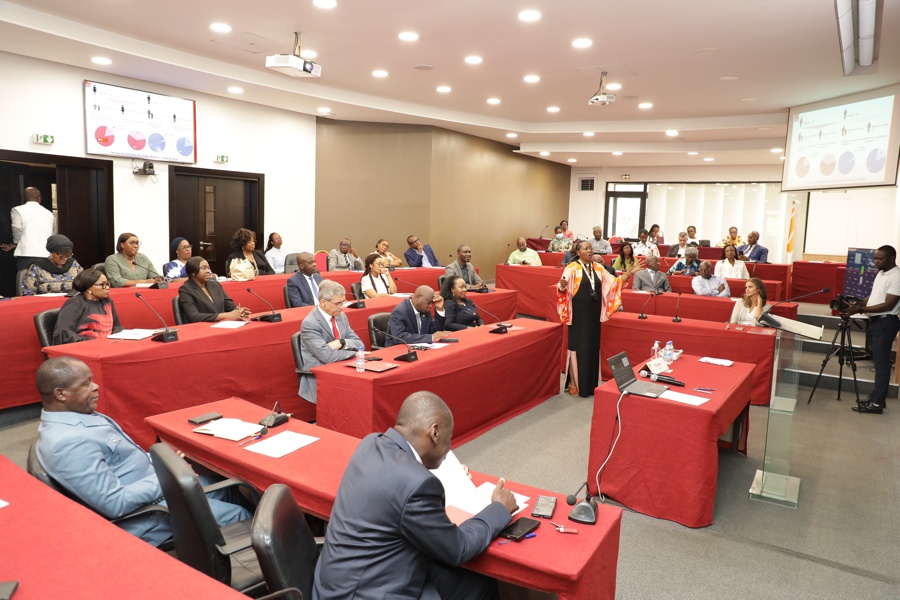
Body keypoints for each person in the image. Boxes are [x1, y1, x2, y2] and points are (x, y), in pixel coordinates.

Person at [313, 391, 518, 600]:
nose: (449, 448)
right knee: (478, 581)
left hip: (335, 583)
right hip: (366, 593)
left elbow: (398, 486)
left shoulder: (370, 443)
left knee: (465, 579)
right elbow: (459, 548)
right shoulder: (418, 485)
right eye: (449, 438)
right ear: (435, 433)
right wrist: (499, 508)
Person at [34, 357, 251, 547]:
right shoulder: (68, 443)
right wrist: (171, 477)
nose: (96, 386)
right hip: (149, 515)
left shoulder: (76, 416)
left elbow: (124, 459)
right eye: (86, 383)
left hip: (152, 488)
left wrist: (165, 463)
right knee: (240, 516)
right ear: (61, 394)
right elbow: (115, 504)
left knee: (228, 488)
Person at [558, 240, 641, 397]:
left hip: (593, 314)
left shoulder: (598, 267)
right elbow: (562, 290)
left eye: (590, 248)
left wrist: (629, 273)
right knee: (579, 347)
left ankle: (590, 385)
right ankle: (575, 384)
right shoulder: (572, 268)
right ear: (578, 252)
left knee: (592, 347)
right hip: (578, 315)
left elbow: (614, 283)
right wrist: (562, 286)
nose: (589, 251)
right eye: (585, 248)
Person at [844, 245, 900, 414]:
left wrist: (861, 310)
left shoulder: (896, 277)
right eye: (875, 258)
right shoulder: (881, 273)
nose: (876, 262)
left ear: (892, 258)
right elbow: (875, 295)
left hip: (886, 322)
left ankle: (876, 404)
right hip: (876, 322)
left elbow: (888, 304)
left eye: (880, 259)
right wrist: (860, 302)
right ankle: (878, 398)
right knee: (878, 362)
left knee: (882, 365)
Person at [299, 280, 364, 404]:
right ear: (323, 302)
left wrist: (342, 342)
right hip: (322, 373)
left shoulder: (341, 316)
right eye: (338, 303)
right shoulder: (310, 323)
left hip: (342, 366)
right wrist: (353, 353)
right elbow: (327, 356)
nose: (342, 307)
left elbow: (360, 344)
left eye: (343, 302)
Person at [52, 269, 123, 345]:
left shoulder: (107, 301)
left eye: (107, 284)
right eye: (102, 284)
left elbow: (117, 327)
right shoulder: (75, 304)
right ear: (88, 287)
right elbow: (63, 333)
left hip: (107, 345)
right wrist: (93, 343)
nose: (107, 287)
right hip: (82, 347)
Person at [178, 256, 250, 323]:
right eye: (204, 268)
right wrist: (226, 315)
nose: (208, 271)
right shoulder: (186, 290)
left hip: (222, 325)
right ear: (193, 272)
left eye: (208, 268)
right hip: (201, 328)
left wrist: (239, 311)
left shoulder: (215, 285)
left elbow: (230, 307)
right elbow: (194, 317)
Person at [2, 186, 55, 272]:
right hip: (46, 254)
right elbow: (52, 233)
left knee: (25, 278)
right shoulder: (49, 213)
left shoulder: (17, 210)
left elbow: (17, 227)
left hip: (27, 253)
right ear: (39, 198)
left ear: (24, 198)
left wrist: (16, 243)